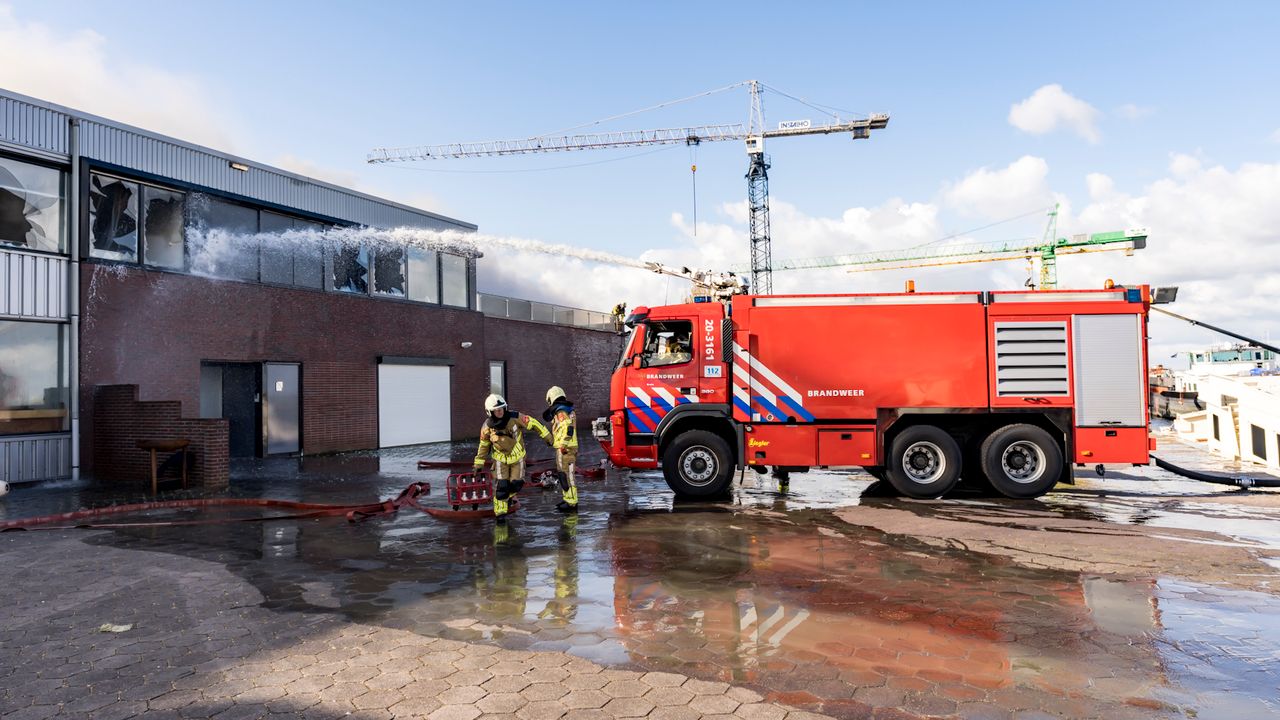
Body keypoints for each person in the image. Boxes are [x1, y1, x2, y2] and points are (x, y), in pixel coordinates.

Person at [474, 394, 550, 523]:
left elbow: (534, 423)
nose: (500, 412)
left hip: (517, 459)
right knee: (501, 487)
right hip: (500, 461)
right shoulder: (487, 427)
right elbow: (484, 446)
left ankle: (508, 497)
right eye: (496, 410)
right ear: (490, 412)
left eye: (502, 409)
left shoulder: (515, 418)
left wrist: (548, 437)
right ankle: (500, 515)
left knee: (516, 483)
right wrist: (478, 464)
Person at [541, 386, 579, 513]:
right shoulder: (566, 410)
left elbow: (567, 428)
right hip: (566, 448)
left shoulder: (561, 412)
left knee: (567, 476)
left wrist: (563, 444)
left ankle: (572, 503)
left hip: (565, 449)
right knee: (563, 475)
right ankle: (568, 499)